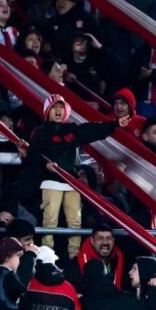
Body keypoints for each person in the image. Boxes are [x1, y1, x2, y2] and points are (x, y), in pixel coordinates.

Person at [29, 95, 120, 258]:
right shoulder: (41, 132)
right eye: (55, 107)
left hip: (72, 182)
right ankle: (45, 255)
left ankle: (74, 255)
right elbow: (33, 156)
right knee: (50, 220)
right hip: (51, 182)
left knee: (75, 221)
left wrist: (115, 124)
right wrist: (45, 166)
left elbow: (92, 130)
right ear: (47, 110)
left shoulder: (71, 129)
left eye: (61, 107)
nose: (58, 110)